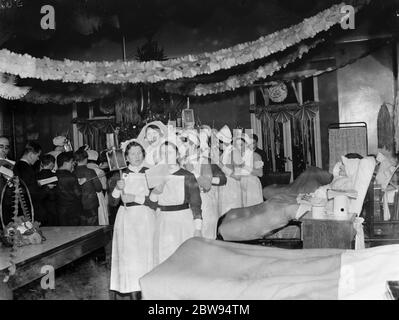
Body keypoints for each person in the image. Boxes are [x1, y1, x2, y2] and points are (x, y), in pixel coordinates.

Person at [109, 140, 157, 299]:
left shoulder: (150, 172)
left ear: (144, 154)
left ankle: (147, 292)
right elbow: (113, 202)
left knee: (146, 255)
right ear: (126, 157)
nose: (136, 156)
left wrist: (136, 197)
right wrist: (117, 188)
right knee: (130, 257)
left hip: (145, 218)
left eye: (139, 153)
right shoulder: (120, 174)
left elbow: (155, 201)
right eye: (132, 154)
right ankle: (131, 291)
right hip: (127, 220)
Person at [152, 141, 202, 265]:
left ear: (177, 155)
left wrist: (198, 228)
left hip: (182, 220)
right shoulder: (156, 175)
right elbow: (152, 203)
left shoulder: (188, 176)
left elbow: (196, 203)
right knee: (165, 257)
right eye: (163, 153)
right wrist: (156, 190)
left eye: (169, 152)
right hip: (163, 221)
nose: (166, 156)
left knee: (184, 257)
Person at [13, 141, 43, 223]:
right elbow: (32, 192)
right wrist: (45, 189)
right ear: (30, 154)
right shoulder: (27, 169)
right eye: (37, 156)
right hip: (29, 209)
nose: (38, 159)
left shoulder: (17, 165)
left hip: (20, 208)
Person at [216, 125, 242, 215]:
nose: (217, 145)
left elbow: (238, 176)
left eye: (218, 142)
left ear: (223, 142)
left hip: (232, 189)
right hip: (224, 188)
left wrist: (221, 166)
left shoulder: (235, 152)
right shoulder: (224, 154)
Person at [73, 149, 102, 226]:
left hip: (78, 204)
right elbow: (99, 188)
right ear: (86, 159)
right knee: (92, 227)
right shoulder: (90, 171)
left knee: (81, 227)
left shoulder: (72, 172)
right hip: (91, 204)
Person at [235, 134, 264, 207]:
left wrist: (245, 166)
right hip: (240, 185)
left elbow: (260, 173)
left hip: (252, 185)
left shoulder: (256, 156)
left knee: (253, 209)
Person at [55, 152, 82, 226]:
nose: (73, 164)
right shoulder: (71, 176)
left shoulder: (54, 175)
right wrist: (80, 185)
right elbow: (78, 194)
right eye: (71, 162)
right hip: (72, 210)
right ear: (65, 163)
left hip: (59, 210)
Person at [87, 149, 109, 225]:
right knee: (101, 217)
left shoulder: (83, 169)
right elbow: (104, 187)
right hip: (98, 196)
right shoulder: (99, 171)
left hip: (85, 197)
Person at [37, 154, 57, 226]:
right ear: (52, 164)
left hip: (39, 207)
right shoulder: (55, 176)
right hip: (53, 207)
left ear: (42, 163)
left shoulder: (35, 175)